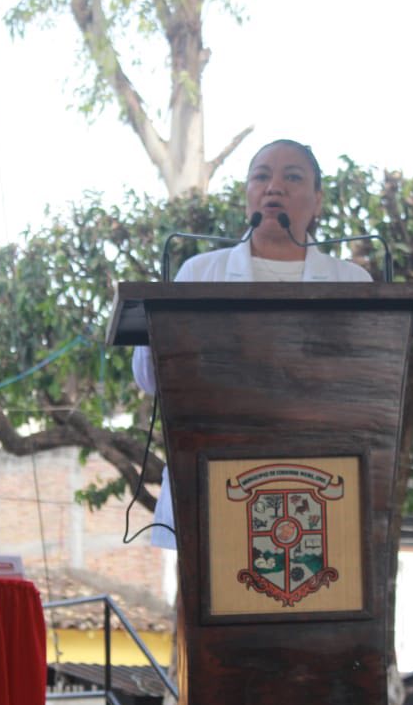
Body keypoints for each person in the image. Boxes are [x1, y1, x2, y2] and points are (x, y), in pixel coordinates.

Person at [133, 138, 372, 548]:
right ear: (248, 196)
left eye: (291, 177)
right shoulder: (199, 273)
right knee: (206, 609)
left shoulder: (351, 282)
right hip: (213, 481)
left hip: (318, 485)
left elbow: (369, 388)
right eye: (261, 176)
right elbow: (149, 378)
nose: (273, 187)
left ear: (317, 201)